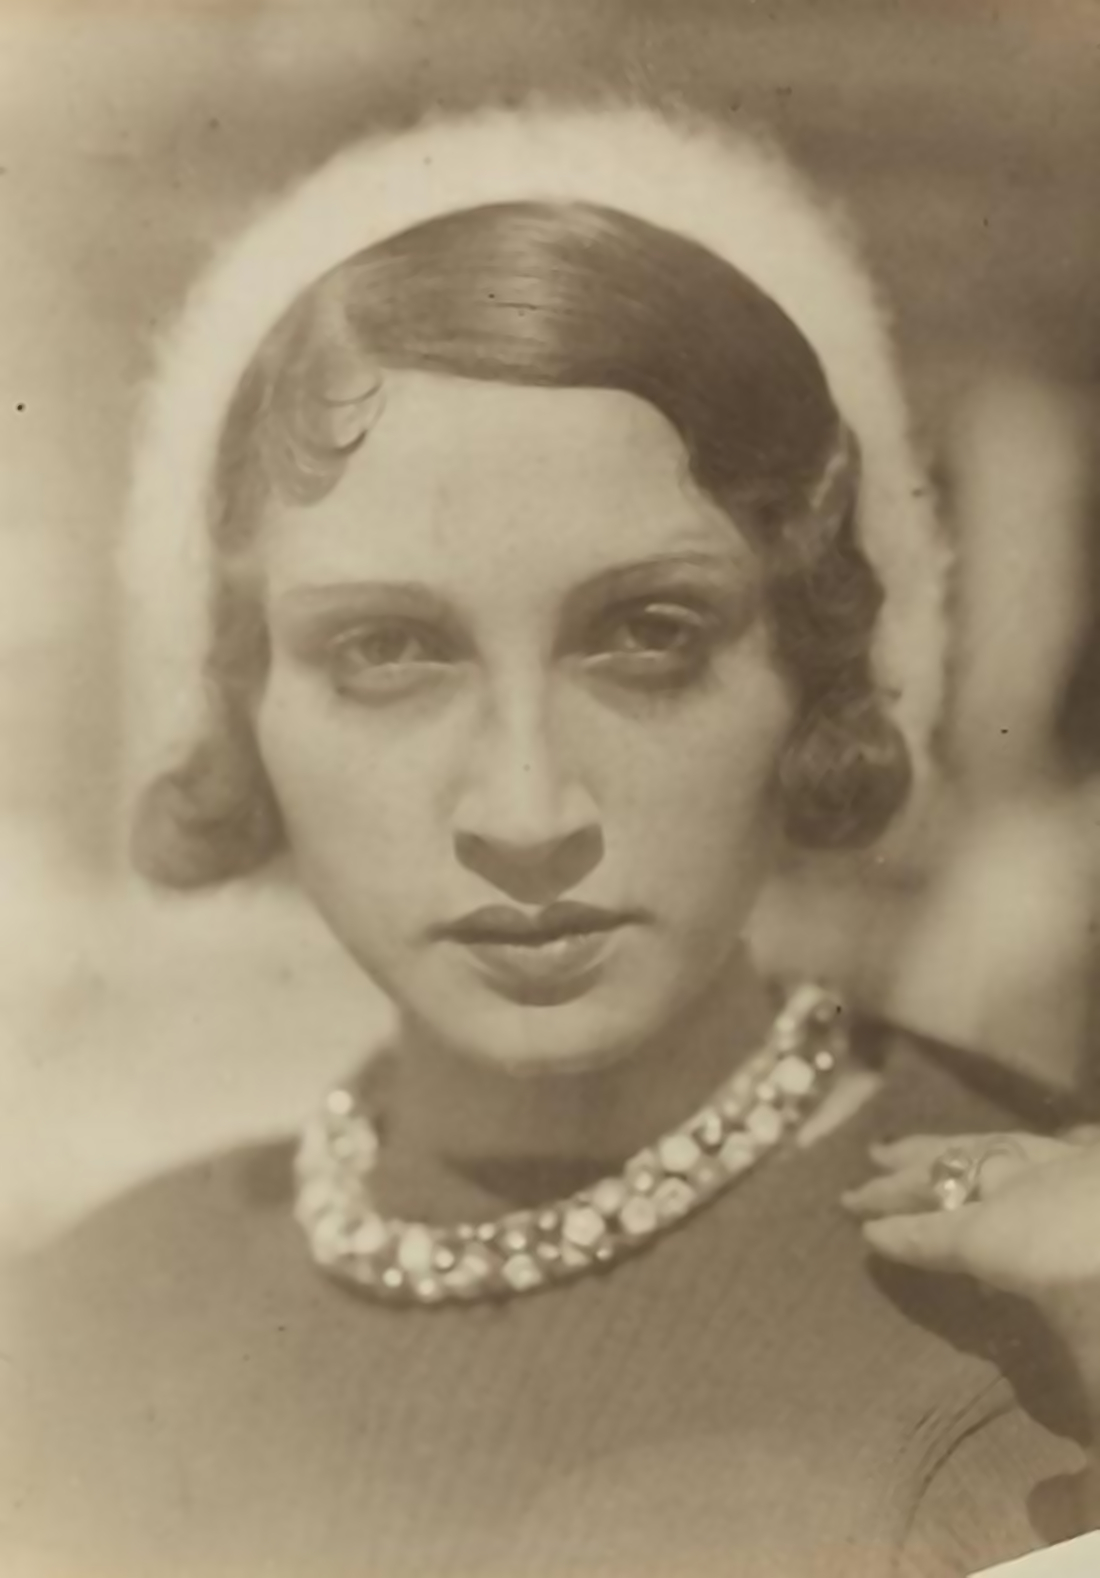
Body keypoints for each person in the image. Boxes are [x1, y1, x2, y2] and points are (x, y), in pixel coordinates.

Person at [3, 97, 1095, 1577]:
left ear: (823, 671)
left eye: (649, 634)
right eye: (387, 649)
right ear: (241, 703)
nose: (526, 812)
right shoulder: (79, 1322)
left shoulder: (1042, 1317)